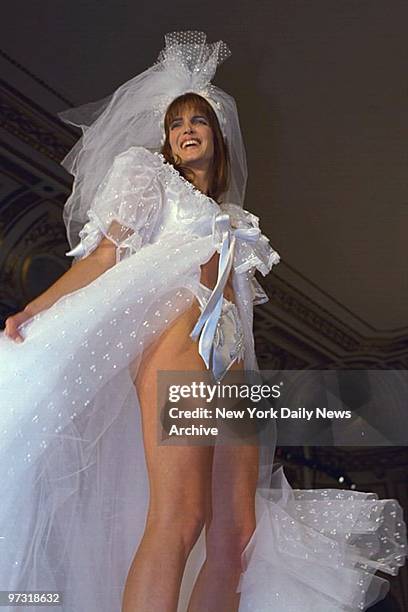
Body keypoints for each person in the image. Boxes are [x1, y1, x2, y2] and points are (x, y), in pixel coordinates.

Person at [0, 31, 406, 612]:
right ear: (165, 139)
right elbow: (103, 256)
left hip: (235, 369)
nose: (187, 130)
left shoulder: (236, 218)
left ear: (218, 134)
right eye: (175, 124)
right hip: (179, 345)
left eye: (199, 121)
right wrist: (36, 309)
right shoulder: (150, 177)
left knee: (236, 536)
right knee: (180, 515)